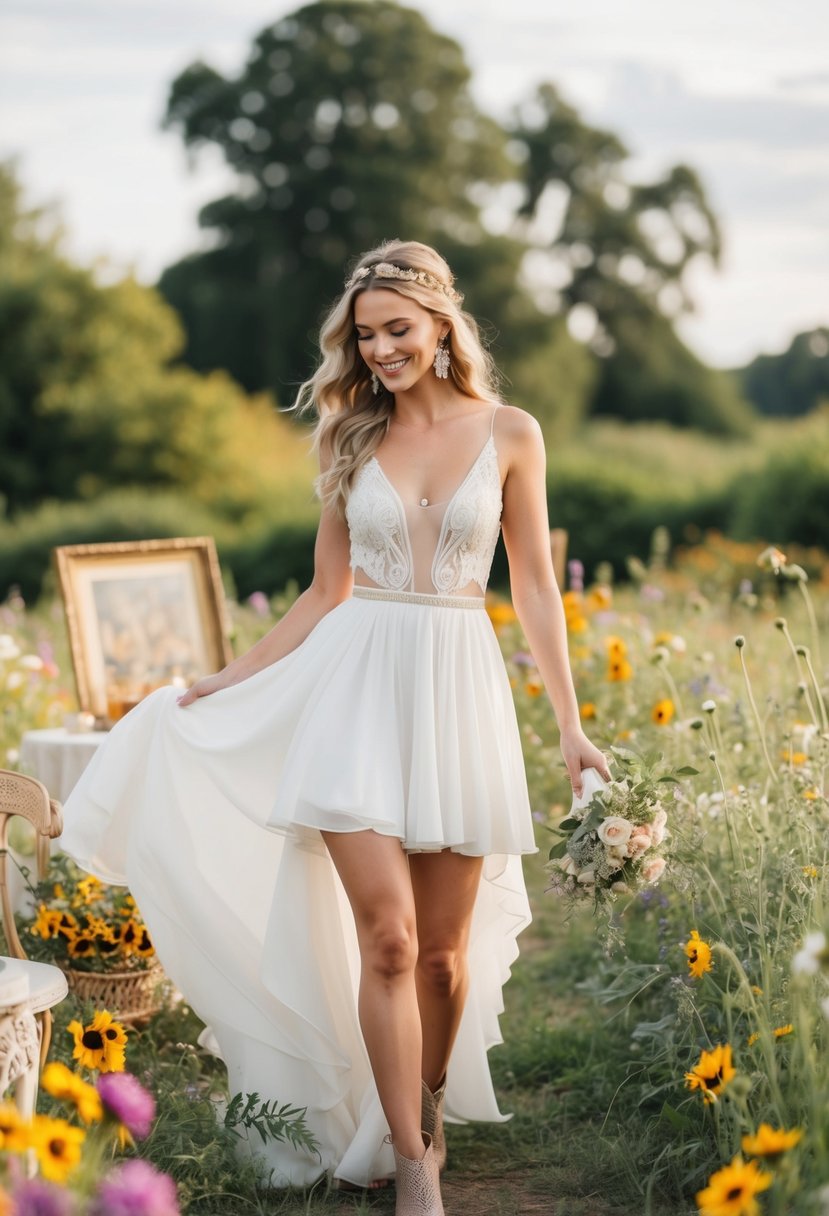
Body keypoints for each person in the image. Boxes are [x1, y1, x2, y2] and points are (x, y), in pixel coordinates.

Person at [60, 239, 611, 1215]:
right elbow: (325, 592)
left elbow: (531, 587)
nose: (383, 349)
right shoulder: (348, 436)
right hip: (357, 697)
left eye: (398, 328)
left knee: (444, 954)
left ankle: (427, 1103)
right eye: (366, 336)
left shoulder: (513, 432)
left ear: (442, 323)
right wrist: (222, 681)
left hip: (457, 692)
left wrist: (570, 726)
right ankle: (411, 1161)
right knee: (389, 942)